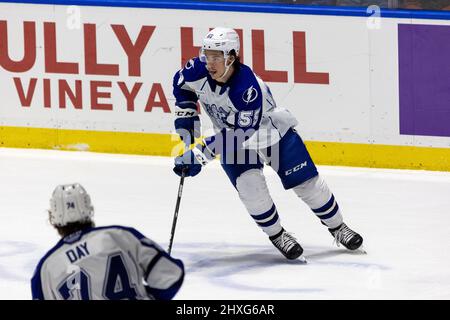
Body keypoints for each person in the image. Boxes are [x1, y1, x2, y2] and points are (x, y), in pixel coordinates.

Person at [172, 27, 364, 260]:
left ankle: (338, 227)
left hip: (269, 132)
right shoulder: (196, 70)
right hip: (230, 139)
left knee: (306, 183)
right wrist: (187, 120)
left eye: (216, 57)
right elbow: (181, 85)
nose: (209, 62)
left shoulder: (247, 88)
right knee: (249, 188)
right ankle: (277, 235)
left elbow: (242, 133)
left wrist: (200, 153)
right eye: (207, 55)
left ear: (231, 57)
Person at [31, 183, 184, 300]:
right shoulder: (118, 236)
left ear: (53, 219)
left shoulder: (47, 268)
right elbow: (171, 274)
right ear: (89, 209)